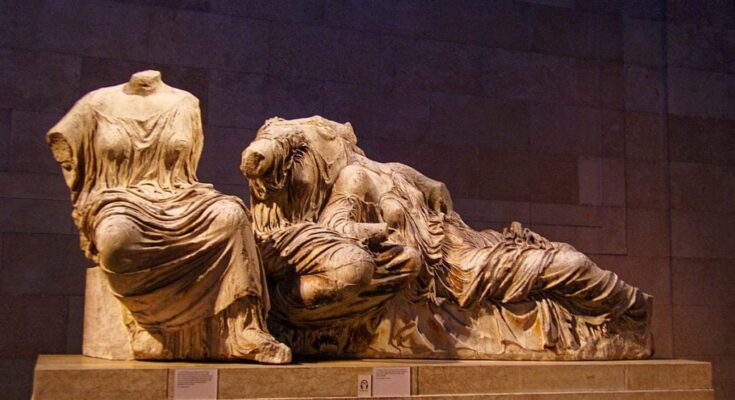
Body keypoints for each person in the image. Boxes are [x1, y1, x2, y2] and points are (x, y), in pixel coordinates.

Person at [241, 116, 653, 360]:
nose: (337, 139)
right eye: (327, 138)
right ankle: (633, 310)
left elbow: (436, 189)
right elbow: (338, 231)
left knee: (562, 257)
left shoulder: (390, 168)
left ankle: (629, 313)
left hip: (465, 243)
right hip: (454, 272)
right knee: (566, 265)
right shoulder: (352, 179)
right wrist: (378, 230)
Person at [47, 70, 290, 363]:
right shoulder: (96, 103)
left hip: (178, 195)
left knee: (230, 215)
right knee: (116, 239)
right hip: (119, 199)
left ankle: (242, 330)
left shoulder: (185, 102)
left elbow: (187, 167)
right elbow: (63, 141)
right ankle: (149, 326)